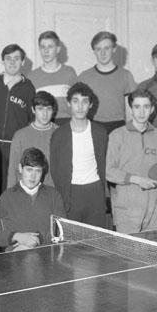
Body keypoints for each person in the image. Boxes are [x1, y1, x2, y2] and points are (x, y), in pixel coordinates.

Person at [106, 90, 157, 234]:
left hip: (155, 205)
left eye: (146, 107)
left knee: (152, 247)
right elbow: (109, 171)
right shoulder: (117, 135)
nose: (141, 112)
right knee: (128, 248)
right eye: (137, 107)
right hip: (128, 204)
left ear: (152, 109)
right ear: (131, 109)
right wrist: (137, 180)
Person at [0, 44, 36, 203]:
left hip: (16, 145)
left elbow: (32, 119)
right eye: (8, 58)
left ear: (23, 62)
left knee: (13, 186)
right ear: (2, 61)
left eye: (16, 58)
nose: (12, 62)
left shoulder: (28, 87)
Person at [50, 82, 108, 228]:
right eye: (75, 101)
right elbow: (55, 170)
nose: (80, 106)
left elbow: (105, 164)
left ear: (91, 104)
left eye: (84, 101)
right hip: (70, 193)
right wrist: (63, 194)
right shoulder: (59, 135)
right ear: (68, 103)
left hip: (95, 191)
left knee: (96, 238)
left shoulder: (100, 132)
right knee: (71, 238)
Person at [0, 148, 66, 251]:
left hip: (46, 255)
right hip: (15, 255)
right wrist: (16, 236)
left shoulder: (53, 195)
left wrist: (36, 241)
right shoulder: (7, 197)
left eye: (38, 171)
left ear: (43, 172)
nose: (33, 176)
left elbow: (61, 231)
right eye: (29, 170)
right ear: (20, 168)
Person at [78, 31, 136, 133]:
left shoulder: (125, 75)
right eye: (98, 49)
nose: (103, 53)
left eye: (107, 48)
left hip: (118, 126)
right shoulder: (84, 77)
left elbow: (130, 108)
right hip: (92, 125)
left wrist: (130, 131)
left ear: (114, 49)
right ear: (94, 51)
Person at [6, 91, 58, 188]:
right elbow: (13, 170)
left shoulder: (60, 134)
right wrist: (10, 194)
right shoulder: (20, 136)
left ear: (53, 111)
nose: (45, 114)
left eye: (48, 109)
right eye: (40, 109)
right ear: (33, 110)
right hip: (26, 192)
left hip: (53, 191)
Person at [27, 31, 77, 126]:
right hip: (43, 124)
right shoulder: (32, 77)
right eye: (43, 47)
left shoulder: (69, 73)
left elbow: (76, 102)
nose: (46, 51)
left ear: (58, 49)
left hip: (66, 123)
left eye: (50, 47)